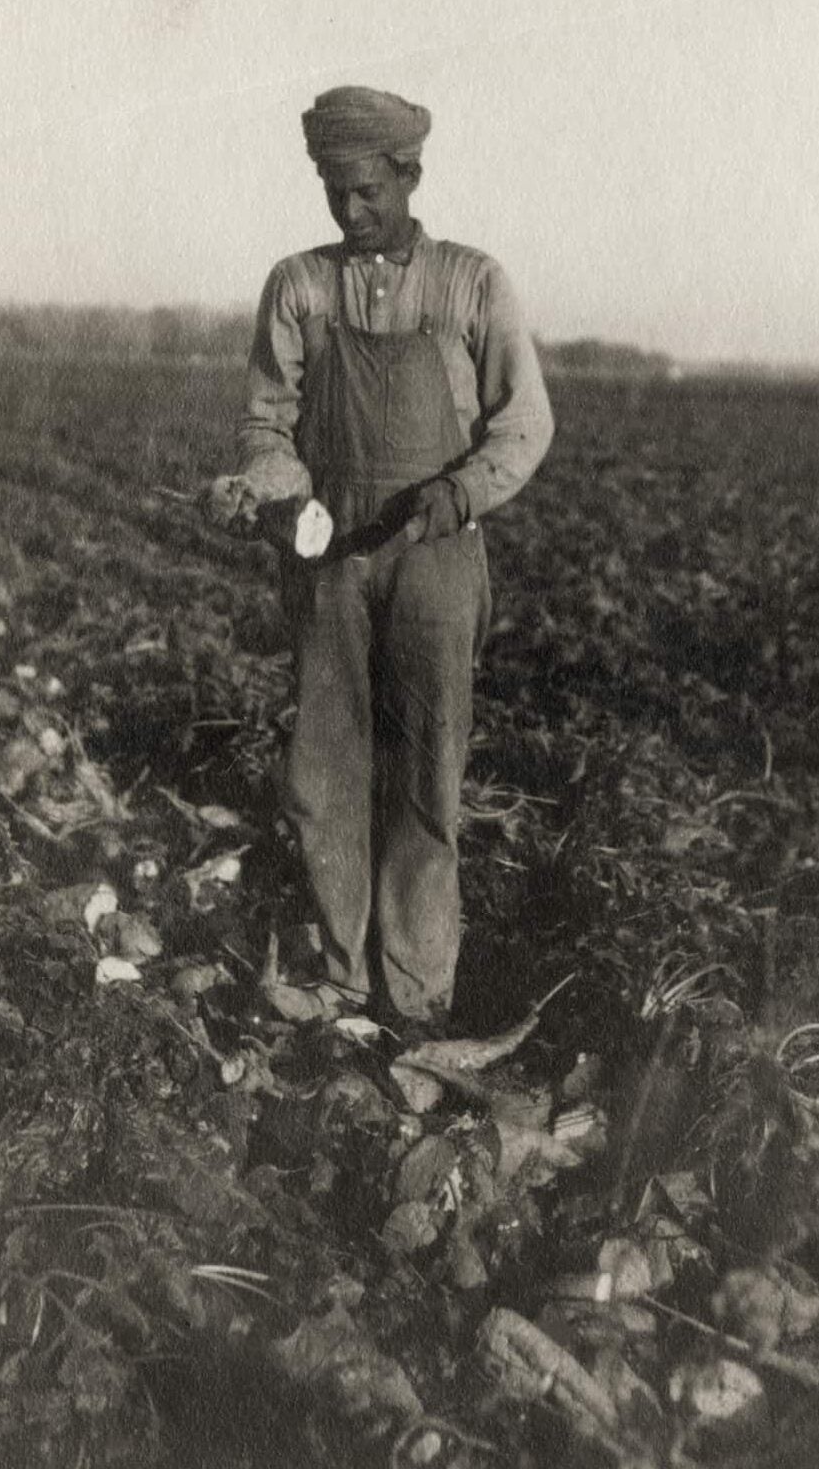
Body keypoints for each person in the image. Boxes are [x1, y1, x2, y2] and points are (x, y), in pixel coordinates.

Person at [213, 85, 553, 1037]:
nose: (351, 213)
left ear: (409, 176)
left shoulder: (471, 284)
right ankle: (339, 979)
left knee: (426, 769)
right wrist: (277, 491)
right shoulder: (299, 285)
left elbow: (523, 424)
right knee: (326, 770)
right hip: (330, 558)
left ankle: (417, 996)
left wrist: (458, 495)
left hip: (436, 552)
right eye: (335, 193)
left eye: (367, 192)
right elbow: (266, 420)